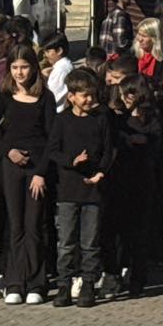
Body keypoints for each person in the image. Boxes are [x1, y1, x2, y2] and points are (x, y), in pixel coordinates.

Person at [0, 47, 52, 305]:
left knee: (34, 225)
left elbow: (52, 139)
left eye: (24, 67)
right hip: (11, 167)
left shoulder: (45, 97)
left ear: (33, 67)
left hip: (36, 170)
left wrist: (41, 172)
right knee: (15, 226)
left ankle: (36, 283)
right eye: (15, 67)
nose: (19, 72)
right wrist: (8, 151)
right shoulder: (4, 95)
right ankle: (14, 282)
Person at [47, 68, 112, 307]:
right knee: (66, 241)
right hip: (68, 190)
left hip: (93, 190)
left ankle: (88, 285)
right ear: (71, 96)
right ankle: (64, 284)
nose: (89, 100)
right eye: (84, 95)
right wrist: (71, 161)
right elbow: (52, 150)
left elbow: (108, 150)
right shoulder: (62, 120)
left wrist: (100, 172)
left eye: (92, 95)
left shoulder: (100, 120)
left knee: (90, 242)